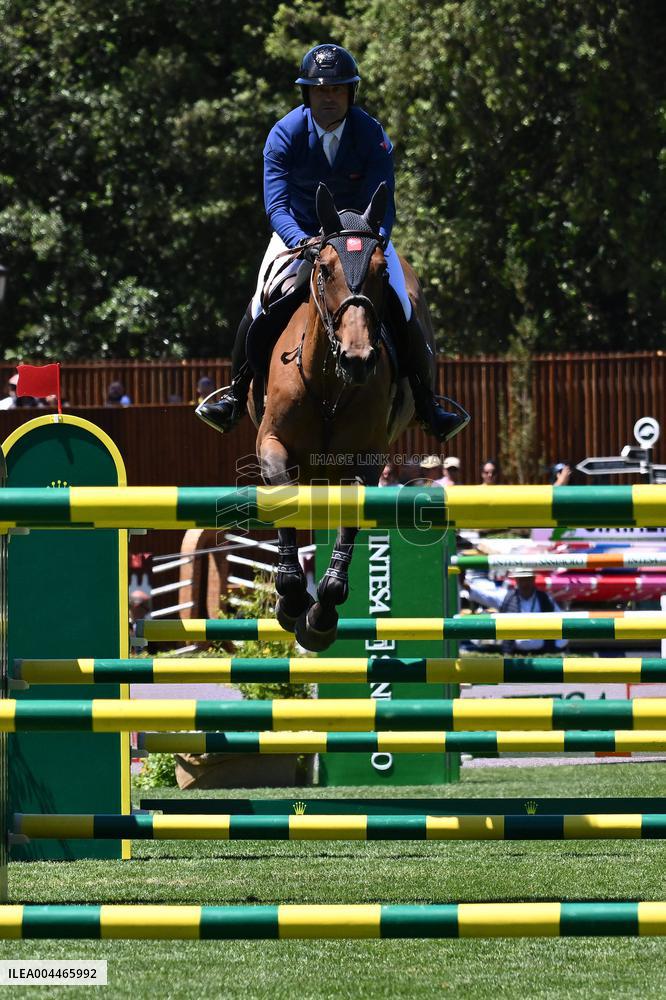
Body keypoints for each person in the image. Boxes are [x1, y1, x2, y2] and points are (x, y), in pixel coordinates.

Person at [198, 43, 466, 443]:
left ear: (349, 94)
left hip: (362, 237)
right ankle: (236, 395)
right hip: (300, 234)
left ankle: (427, 405)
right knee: (259, 304)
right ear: (308, 94)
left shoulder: (371, 134)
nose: (328, 98)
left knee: (402, 304)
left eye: (337, 90)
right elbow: (277, 205)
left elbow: (384, 201)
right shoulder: (284, 134)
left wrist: (375, 238)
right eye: (320, 90)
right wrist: (301, 241)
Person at [467, 569, 568, 654]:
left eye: (527, 579)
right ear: (516, 581)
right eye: (522, 580)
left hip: (542, 653)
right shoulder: (506, 597)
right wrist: (464, 585)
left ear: (533, 580)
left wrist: (557, 646)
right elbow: (483, 595)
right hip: (514, 654)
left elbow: (562, 621)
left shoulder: (545, 599)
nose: (525, 583)